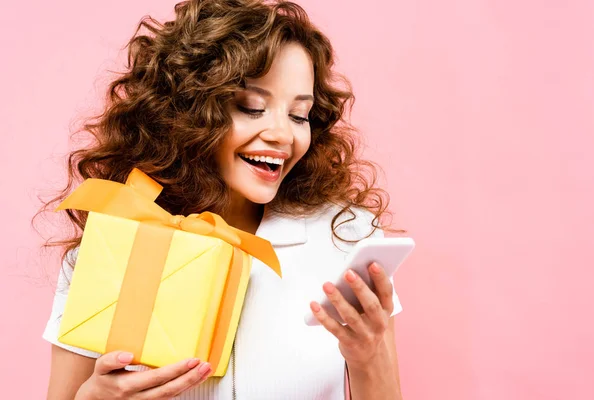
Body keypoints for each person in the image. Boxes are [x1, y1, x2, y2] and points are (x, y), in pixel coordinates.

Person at [41, 0, 405, 398]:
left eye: (299, 115)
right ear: (190, 112)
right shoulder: (114, 241)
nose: (283, 135)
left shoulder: (348, 236)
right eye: (252, 107)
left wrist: (370, 358)